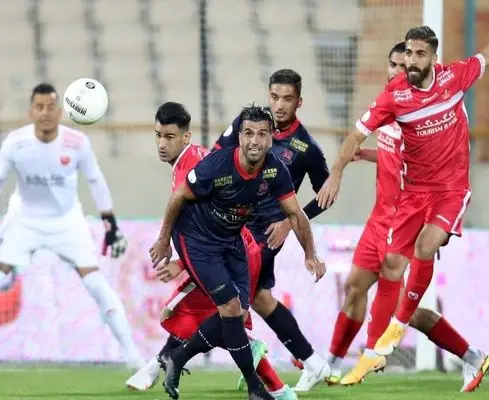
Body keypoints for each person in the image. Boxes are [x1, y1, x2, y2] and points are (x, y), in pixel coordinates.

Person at [317, 3, 489, 392]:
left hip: (449, 190)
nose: (409, 63)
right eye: (405, 56)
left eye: (417, 55)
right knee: (383, 272)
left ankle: (382, 340)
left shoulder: (454, 78)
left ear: (432, 57)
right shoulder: (392, 100)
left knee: (422, 252)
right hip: (406, 202)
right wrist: (338, 171)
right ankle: (387, 353)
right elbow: (357, 136)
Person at [325, 42, 489, 391]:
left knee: (405, 308)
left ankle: (466, 355)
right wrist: (366, 155)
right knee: (355, 286)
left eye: (405, 65)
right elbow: (389, 155)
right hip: (379, 219)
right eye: (394, 63)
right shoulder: (388, 109)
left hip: (406, 218)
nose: (398, 70)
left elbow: (420, 166)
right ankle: (329, 364)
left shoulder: (417, 115)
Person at [150, 105, 325, 400]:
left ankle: (177, 357)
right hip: (197, 241)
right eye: (248, 133)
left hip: (231, 240)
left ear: (271, 138)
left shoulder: (274, 170)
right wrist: (164, 240)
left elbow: (296, 214)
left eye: (262, 134)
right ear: (239, 137)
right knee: (230, 308)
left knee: (238, 315)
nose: (254, 141)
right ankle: (256, 389)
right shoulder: (217, 166)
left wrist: (311, 254)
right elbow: (179, 195)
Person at [0, 83, 139, 366]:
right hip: (25, 218)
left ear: (60, 112)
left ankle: (133, 357)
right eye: (39, 107)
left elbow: (95, 180)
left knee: (97, 285)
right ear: (30, 112)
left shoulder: (77, 142)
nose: (45, 113)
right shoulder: (15, 143)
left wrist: (110, 223)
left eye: (51, 107)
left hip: (66, 221)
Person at [214, 69, 332, 392]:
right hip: (237, 227)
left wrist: (289, 223)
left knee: (228, 297)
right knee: (261, 300)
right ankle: (312, 362)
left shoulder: (306, 147)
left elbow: (326, 195)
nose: (279, 105)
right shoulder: (250, 126)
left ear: (299, 102)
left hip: (266, 235)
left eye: (287, 99)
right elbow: (217, 155)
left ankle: (170, 359)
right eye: (275, 97)